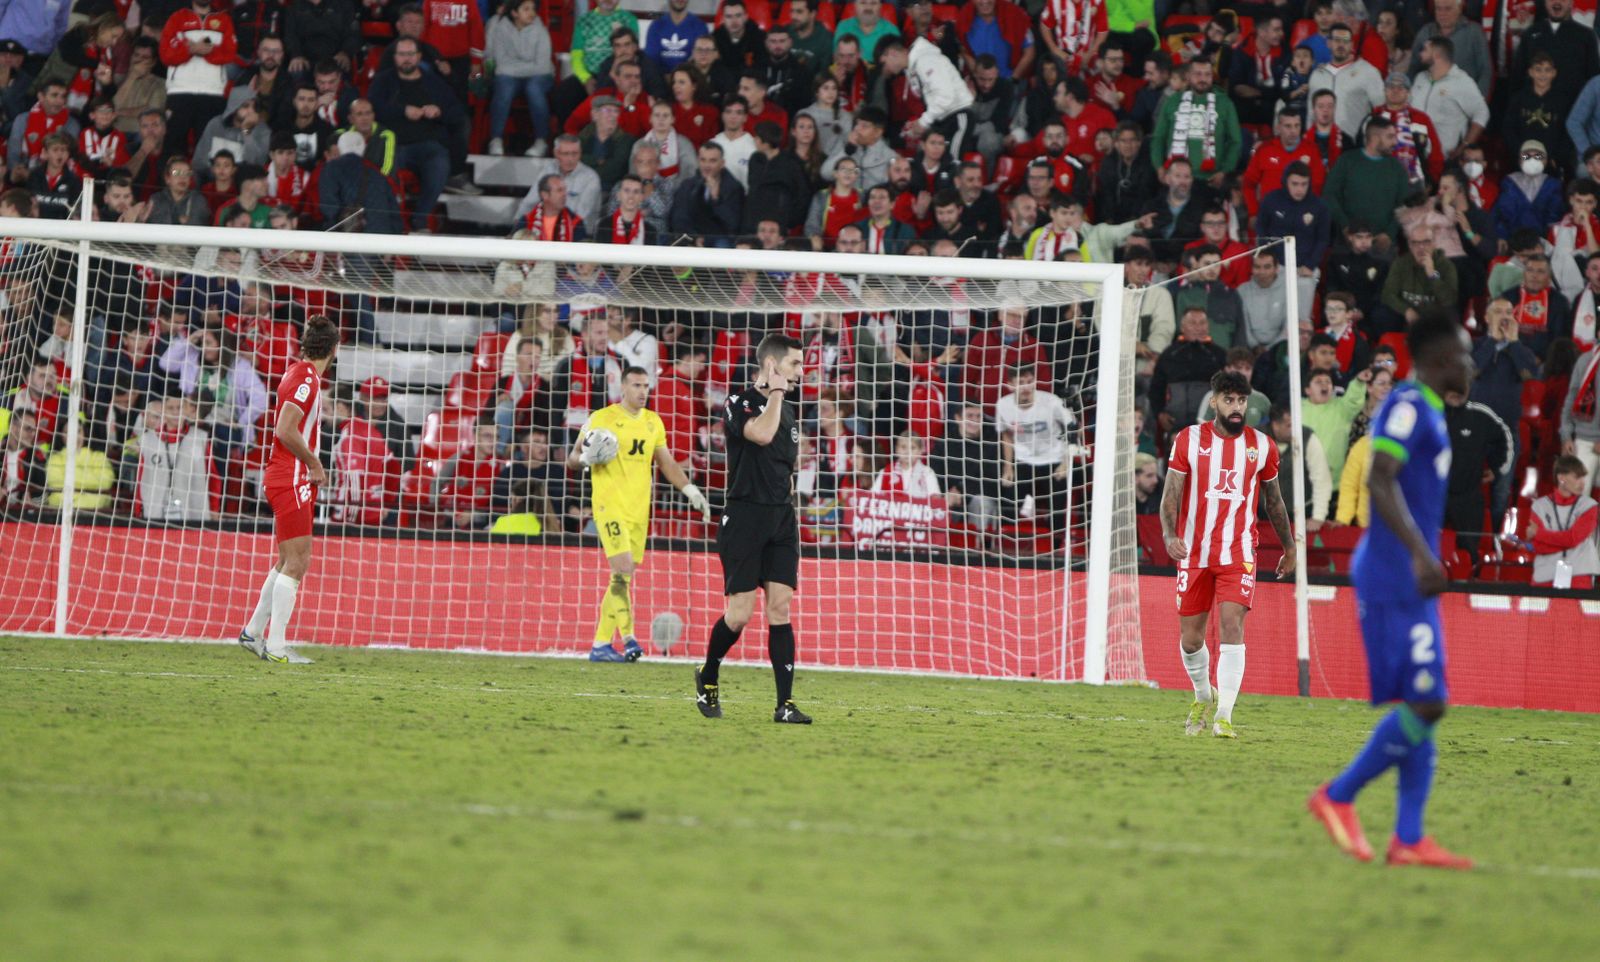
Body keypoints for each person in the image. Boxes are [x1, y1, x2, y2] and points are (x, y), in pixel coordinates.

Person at [1308, 309, 1476, 870]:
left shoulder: (1428, 410)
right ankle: (1337, 796)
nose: (1470, 363)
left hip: (1408, 574)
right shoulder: (1407, 406)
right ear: (1436, 359)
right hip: (1392, 573)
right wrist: (1421, 555)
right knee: (1428, 702)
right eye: (1463, 353)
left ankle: (1408, 837)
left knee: (1424, 701)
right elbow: (1379, 476)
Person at [1160, 368, 1294, 738]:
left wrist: (1290, 546)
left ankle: (1225, 716)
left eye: (1241, 401)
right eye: (1229, 400)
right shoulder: (1188, 439)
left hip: (1238, 551)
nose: (1237, 408)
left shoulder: (1262, 446)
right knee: (1191, 639)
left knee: (1233, 625)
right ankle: (1204, 695)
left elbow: (1275, 502)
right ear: (1214, 401)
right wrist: (1170, 534)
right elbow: (1170, 495)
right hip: (1194, 551)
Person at [693, 334, 810, 723]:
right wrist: (775, 394)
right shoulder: (739, 402)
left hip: (780, 519)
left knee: (780, 608)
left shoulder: (790, 412)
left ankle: (785, 705)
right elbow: (759, 435)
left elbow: (784, 467)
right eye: (794, 364)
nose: (801, 370)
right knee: (739, 615)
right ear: (773, 366)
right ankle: (708, 673)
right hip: (743, 518)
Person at [563, 365, 708, 661]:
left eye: (646, 386)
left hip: (639, 511)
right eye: (637, 386)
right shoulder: (602, 418)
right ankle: (627, 640)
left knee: (623, 577)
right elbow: (572, 458)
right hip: (609, 506)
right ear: (624, 388)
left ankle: (601, 644)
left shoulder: (653, 422)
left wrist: (691, 491)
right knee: (622, 569)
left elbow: (666, 463)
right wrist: (587, 458)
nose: (643, 392)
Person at [238, 315, 340, 665]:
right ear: (334, 350)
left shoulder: (296, 373)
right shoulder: (307, 381)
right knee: (298, 562)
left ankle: (253, 632)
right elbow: (284, 429)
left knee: (285, 561)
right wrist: (314, 462)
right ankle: (278, 648)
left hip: (282, 476)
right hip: (292, 477)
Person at [994, 365, 1075, 535]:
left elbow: (1073, 429)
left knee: (1058, 508)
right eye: (1020, 382)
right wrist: (1008, 466)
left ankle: (1057, 547)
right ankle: (1006, 542)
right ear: (1010, 385)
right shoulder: (1003, 405)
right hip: (1023, 460)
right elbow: (1006, 435)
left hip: (1053, 459)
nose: (1026, 387)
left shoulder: (1051, 401)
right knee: (1008, 501)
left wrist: (1066, 462)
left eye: (1030, 382)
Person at [485, 0, 555, 158]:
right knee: (504, 86)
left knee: (533, 89)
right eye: (526, 9)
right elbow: (500, 64)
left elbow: (543, 67)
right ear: (514, 13)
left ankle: (541, 140)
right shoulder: (500, 29)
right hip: (513, 76)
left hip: (539, 76)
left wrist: (513, 68)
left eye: (533, 9)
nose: (532, 13)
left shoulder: (540, 30)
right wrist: (527, 67)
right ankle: (496, 139)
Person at [1525, 456, 1598, 587]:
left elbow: (1573, 538)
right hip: (1545, 573)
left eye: (1583, 478)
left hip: (1579, 573)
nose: (1582, 483)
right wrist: (1569, 544)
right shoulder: (1539, 506)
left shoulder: (1590, 506)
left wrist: (1539, 534)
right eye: (1577, 477)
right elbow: (1537, 546)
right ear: (1561, 478)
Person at [1309, 23, 1383, 139]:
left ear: (1352, 45)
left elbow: (1381, 108)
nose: (1341, 45)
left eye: (1346, 41)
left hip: (1354, 144)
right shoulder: (1317, 74)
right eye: (1337, 40)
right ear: (1329, 43)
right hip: (1320, 143)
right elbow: (1310, 112)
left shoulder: (1368, 71)